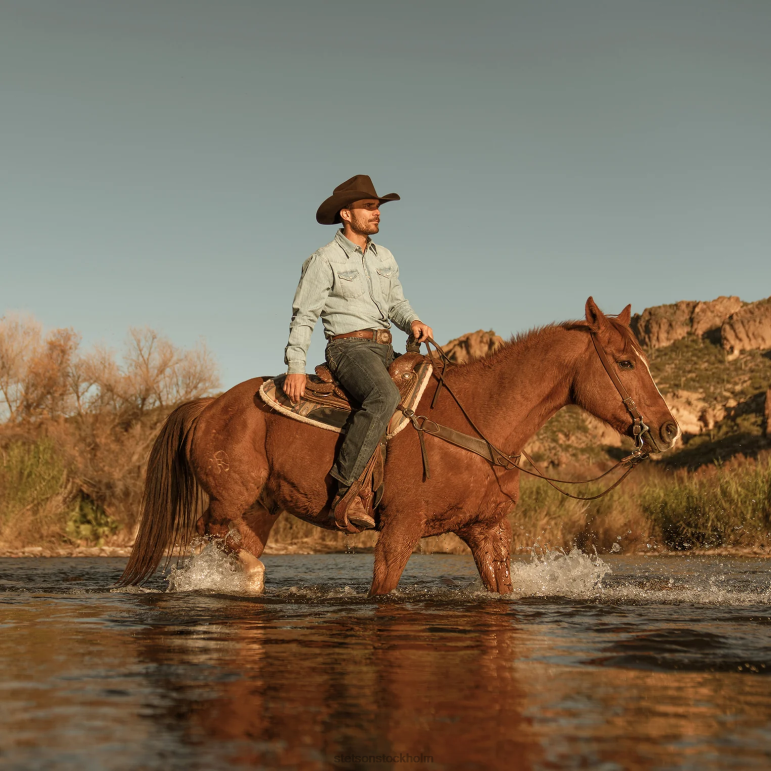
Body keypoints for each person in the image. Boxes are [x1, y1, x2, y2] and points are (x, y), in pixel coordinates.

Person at [283, 174, 433, 529]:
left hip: (385, 347)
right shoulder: (324, 260)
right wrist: (294, 365)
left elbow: (397, 303)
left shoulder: (385, 257)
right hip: (347, 348)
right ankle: (346, 491)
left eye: (378, 206)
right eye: (368, 206)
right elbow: (304, 315)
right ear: (346, 214)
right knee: (382, 397)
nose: (376, 212)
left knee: (435, 386)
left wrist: (413, 321)